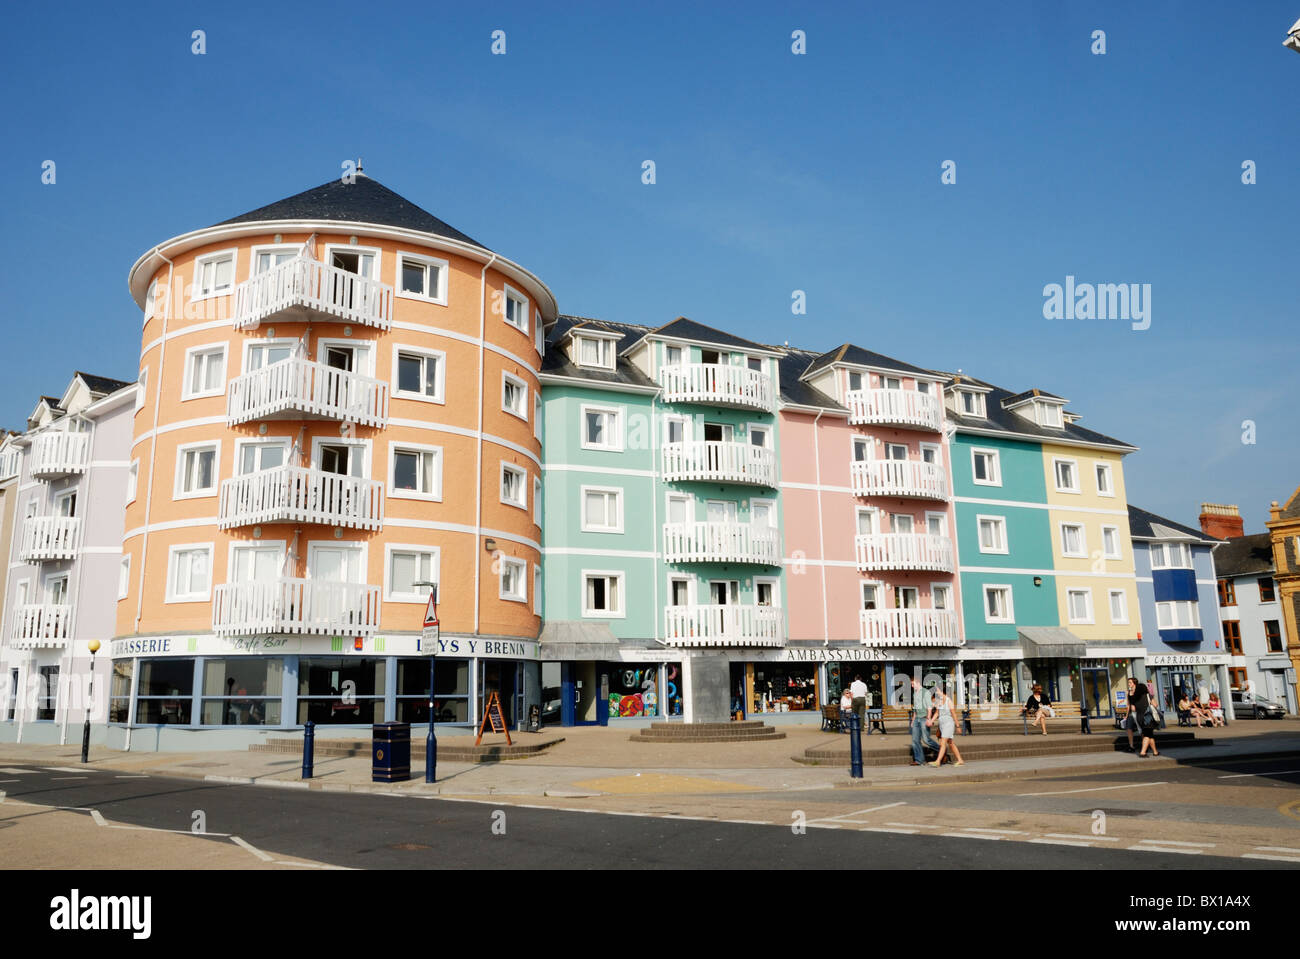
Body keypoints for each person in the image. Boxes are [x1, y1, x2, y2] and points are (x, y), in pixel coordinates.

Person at [908, 676, 941, 766]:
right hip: (917, 719)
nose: (911, 686)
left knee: (926, 739)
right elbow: (915, 708)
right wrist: (912, 720)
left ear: (918, 683)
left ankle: (941, 750)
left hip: (924, 718)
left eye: (912, 684)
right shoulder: (915, 694)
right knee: (915, 740)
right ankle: (919, 760)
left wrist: (929, 719)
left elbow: (929, 707)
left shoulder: (925, 692)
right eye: (911, 684)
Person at [928, 686, 964, 766]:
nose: (936, 693)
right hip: (942, 724)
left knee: (943, 742)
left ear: (942, 691)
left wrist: (958, 726)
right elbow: (937, 713)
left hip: (948, 723)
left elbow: (953, 714)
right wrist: (931, 720)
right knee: (950, 743)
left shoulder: (949, 701)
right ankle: (960, 760)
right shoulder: (939, 701)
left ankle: (938, 761)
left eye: (937, 691)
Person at [1130, 677, 1160, 757]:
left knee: (1150, 734)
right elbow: (1156, 705)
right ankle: (1143, 752)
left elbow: (1133, 709)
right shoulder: (1148, 696)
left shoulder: (1133, 697)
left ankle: (1155, 752)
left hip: (1139, 717)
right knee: (1147, 735)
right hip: (1147, 717)